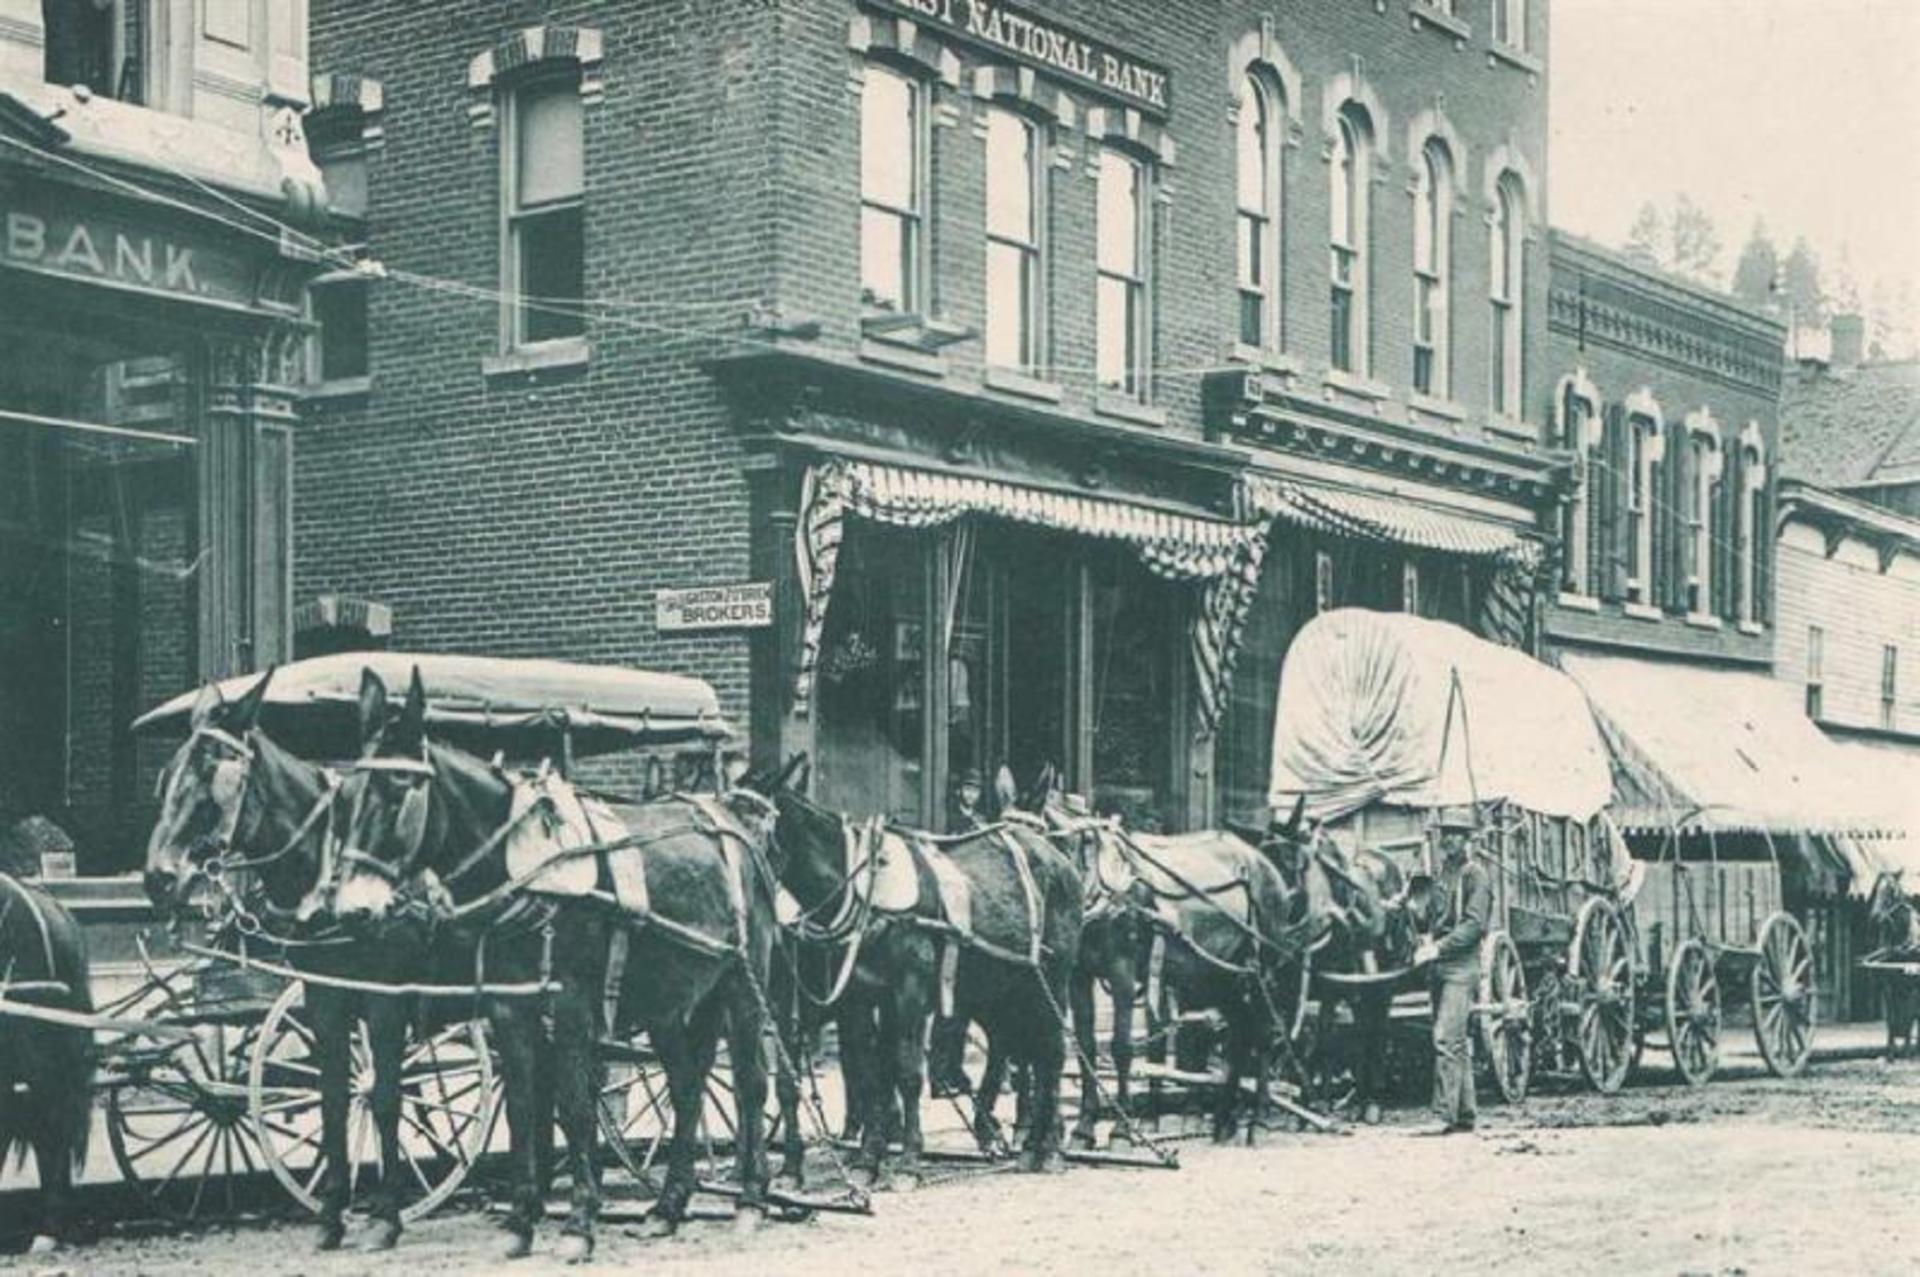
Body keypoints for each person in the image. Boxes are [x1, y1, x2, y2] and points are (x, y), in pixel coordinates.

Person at [1413, 806, 1492, 1135]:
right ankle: (1465, 1114)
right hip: (1440, 968)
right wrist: (1412, 910)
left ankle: (1443, 1115)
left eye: (1457, 834)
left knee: (1445, 1038)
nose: (1450, 840)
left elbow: (1474, 925)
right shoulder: (1443, 873)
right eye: (1446, 834)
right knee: (1455, 1042)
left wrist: (1438, 948)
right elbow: (1431, 916)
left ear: (1468, 839)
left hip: (1462, 967)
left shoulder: (1476, 875)